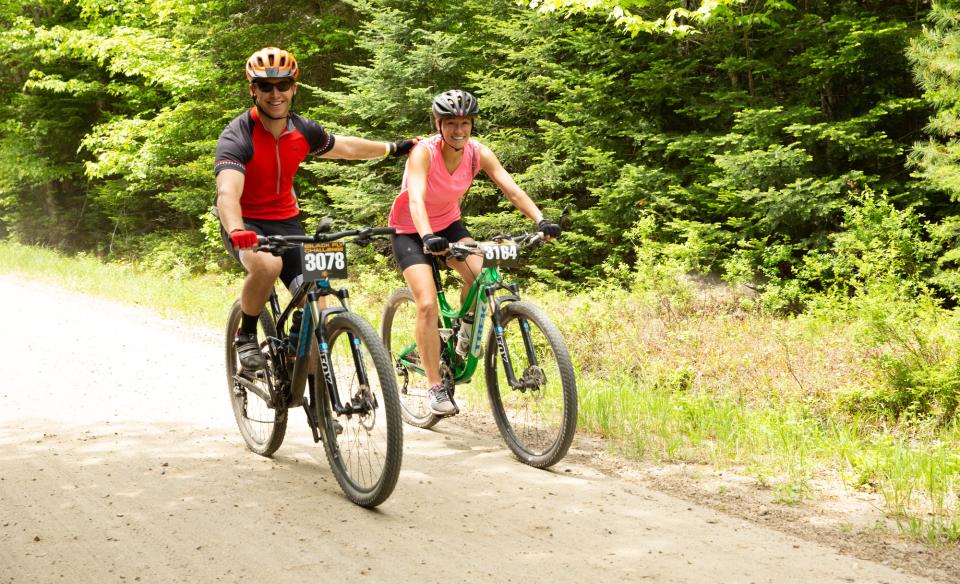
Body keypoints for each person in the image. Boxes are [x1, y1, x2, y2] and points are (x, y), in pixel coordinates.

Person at [215, 47, 415, 370]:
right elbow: (227, 191)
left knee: (319, 297)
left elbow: (345, 147)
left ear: (294, 88)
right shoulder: (238, 136)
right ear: (254, 90)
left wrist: (392, 148)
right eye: (266, 86)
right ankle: (247, 334)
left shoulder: (303, 130)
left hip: (287, 222)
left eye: (283, 85)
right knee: (267, 266)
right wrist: (237, 229)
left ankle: (315, 394)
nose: (275, 93)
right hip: (246, 223)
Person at [387, 89, 561, 416]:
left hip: (449, 225)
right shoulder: (423, 153)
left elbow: (510, 188)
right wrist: (427, 236)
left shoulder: (477, 153)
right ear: (438, 124)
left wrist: (541, 219)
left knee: (483, 275)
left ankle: (461, 336)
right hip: (410, 229)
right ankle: (435, 387)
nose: (458, 130)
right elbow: (416, 199)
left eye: (464, 123)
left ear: (472, 124)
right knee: (425, 302)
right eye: (451, 123)